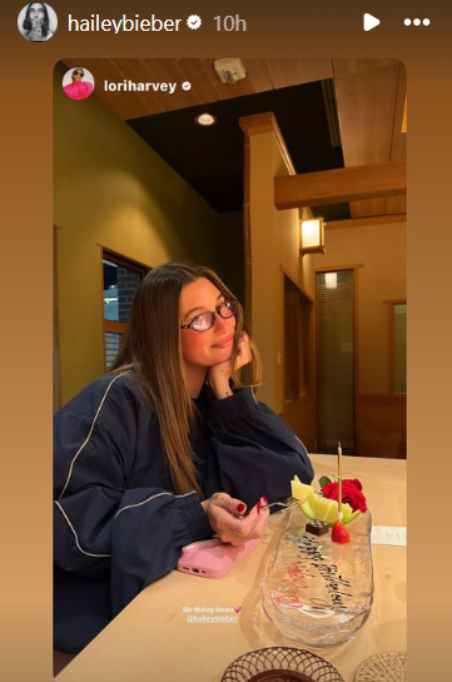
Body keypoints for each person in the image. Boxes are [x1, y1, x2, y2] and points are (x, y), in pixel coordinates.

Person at [54, 262, 314, 654]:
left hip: (185, 592)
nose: (224, 324)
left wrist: (225, 391)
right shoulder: (115, 402)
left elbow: (288, 481)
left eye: (224, 306)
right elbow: (67, 527)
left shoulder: (207, 401)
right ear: (164, 335)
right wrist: (193, 516)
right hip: (104, 618)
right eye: (200, 319)